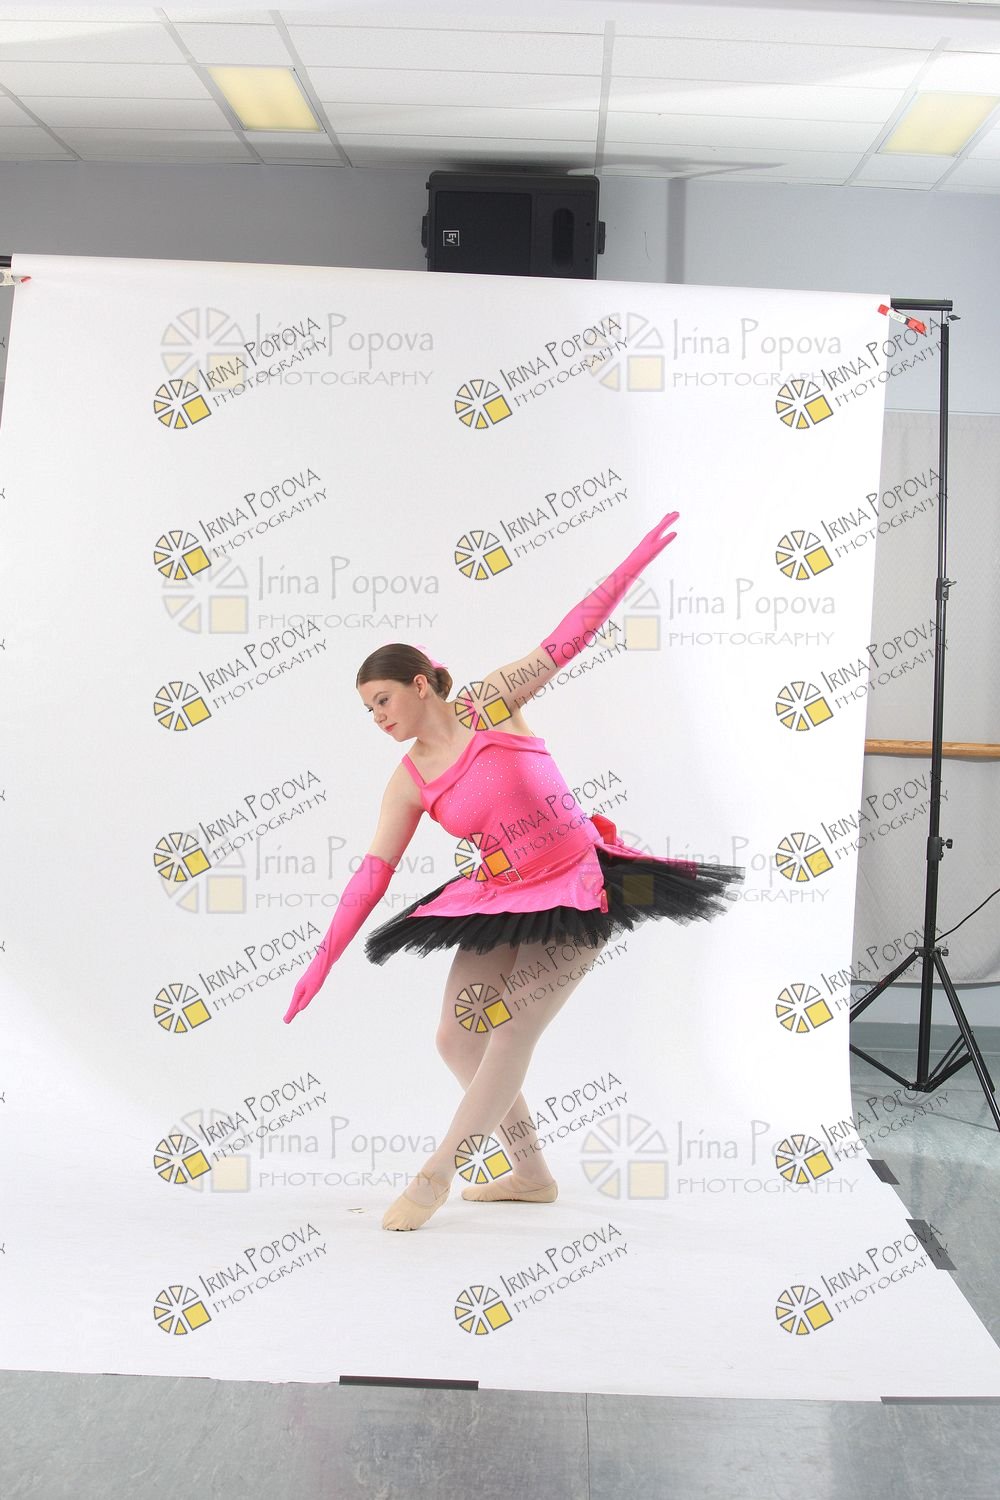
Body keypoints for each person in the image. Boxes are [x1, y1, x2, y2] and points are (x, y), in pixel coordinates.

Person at [283, 509, 743, 1230]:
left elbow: (564, 642)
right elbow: (372, 873)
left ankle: (435, 1176)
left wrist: (626, 571)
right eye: (368, 710)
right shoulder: (409, 780)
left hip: (582, 885)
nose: (377, 718)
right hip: (500, 895)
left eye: (382, 700)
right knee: (455, 1036)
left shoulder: (489, 702)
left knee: (513, 1029)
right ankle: (530, 1175)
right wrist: (324, 957)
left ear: (420, 684)